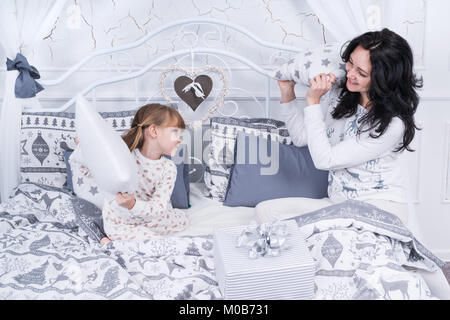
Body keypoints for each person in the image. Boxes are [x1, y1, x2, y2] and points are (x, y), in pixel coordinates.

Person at [256, 28, 422, 225]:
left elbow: (325, 160)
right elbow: (301, 137)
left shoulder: (392, 125)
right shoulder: (341, 94)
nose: (350, 73)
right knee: (265, 212)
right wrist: (287, 92)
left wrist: (313, 100)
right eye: (350, 63)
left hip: (378, 206)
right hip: (338, 205)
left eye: (361, 72)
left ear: (383, 79)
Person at [76, 104, 189, 243]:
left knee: (183, 220)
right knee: (155, 242)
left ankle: (140, 230)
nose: (179, 139)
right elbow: (90, 171)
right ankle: (107, 240)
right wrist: (83, 149)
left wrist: (133, 205)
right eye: (175, 133)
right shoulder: (124, 156)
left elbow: (159, 207)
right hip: (121, 221)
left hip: (148, 216)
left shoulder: (169, 168)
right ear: (154, 131)